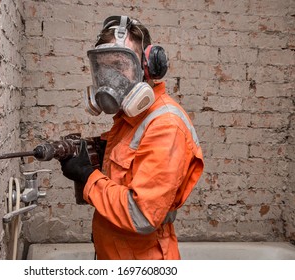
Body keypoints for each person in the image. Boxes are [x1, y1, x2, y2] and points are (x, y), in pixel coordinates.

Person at [60, 15, 204, 260]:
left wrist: (87, 176)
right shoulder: (128, 119)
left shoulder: (165, 125)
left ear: (147, 67)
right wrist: (93, 148)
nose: (110, 77)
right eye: (104, 66)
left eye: (119, 64)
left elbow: (141, 215)